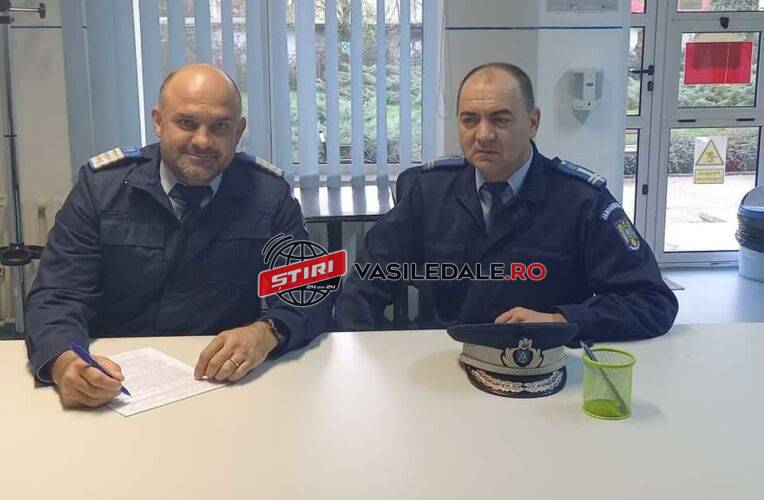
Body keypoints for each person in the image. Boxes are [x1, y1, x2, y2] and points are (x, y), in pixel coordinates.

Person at [25, 63, 331, 408]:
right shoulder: (102, 190)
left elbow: (310, 291)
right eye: (186, 123)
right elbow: (57, 294)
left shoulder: (267, 193)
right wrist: (65, 360)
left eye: (220, 127)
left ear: (238, 131)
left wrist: (267, 332)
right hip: (115, 384)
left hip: (225, 385)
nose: (202, 141)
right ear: (158, 122)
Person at [334, 62, 678, 340]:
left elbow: (652, 302)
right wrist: (361, 355)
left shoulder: (581, 201)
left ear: (533, 122)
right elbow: (366, 282)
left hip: (543, 366)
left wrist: (560, 321)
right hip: (449, 362)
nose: (483, 135)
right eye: (470, 120)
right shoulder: (430, 191)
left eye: (501, 119)